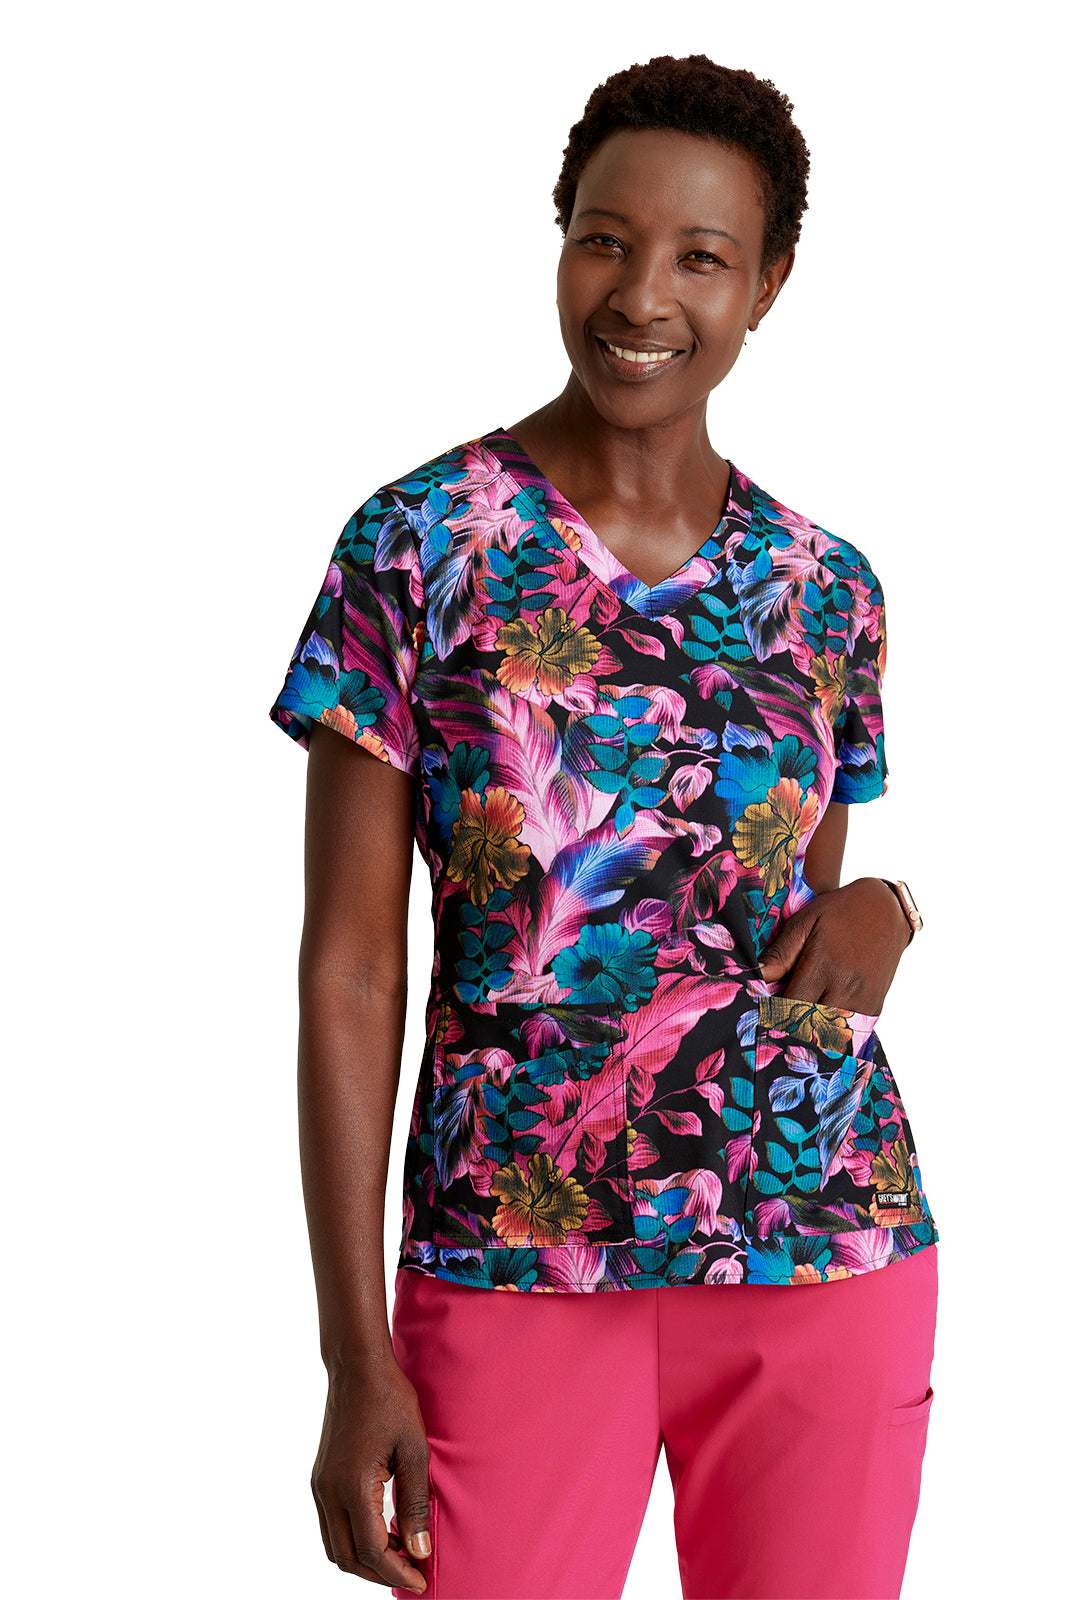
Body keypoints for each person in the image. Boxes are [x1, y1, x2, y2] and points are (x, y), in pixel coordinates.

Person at [268, 53, 939, 1600]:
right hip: (510, 1257)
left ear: (768, 283)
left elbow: (798, 933)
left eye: (702, 256)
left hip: (819, 1246)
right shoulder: (418, 546)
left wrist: (894, 904)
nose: (642, 296)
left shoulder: (827, 587)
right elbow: (351, 970)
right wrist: (354, 1354)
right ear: (560, 240)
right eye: (605, 241)